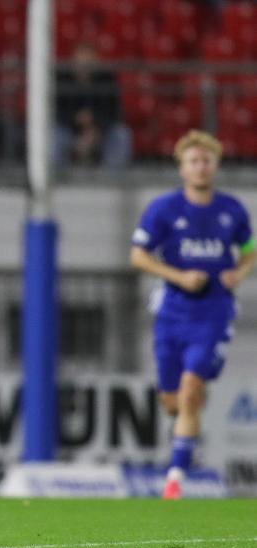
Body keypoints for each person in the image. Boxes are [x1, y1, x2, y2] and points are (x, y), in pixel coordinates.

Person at [130, 130, 254, 499]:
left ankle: (175, 479)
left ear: (215, 166)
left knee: (188, 391)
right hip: (172, 314)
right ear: (182, 168)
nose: (201, 168)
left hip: (214, 313)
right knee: (172, 400)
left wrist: (240, 272)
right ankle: (188, 409)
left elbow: (249, 249)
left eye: (207, 161)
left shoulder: (232, 210)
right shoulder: (163, 210)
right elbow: (138, 256)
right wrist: (178, 276)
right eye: (194, 161)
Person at [54, 41, 132, 168]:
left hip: (100, 131)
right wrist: (76, 119)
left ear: (96, 61)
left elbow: (114, 112)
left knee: (121, 135)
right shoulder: (61, 79)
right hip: (69, 130)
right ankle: (57, 178)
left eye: (88, 60)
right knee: (55, 136)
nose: (84, 65)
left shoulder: (107, 79)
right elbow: (56, 112)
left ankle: (112, 182)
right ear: (73, 61)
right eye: (80, 60)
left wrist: (95, 127)